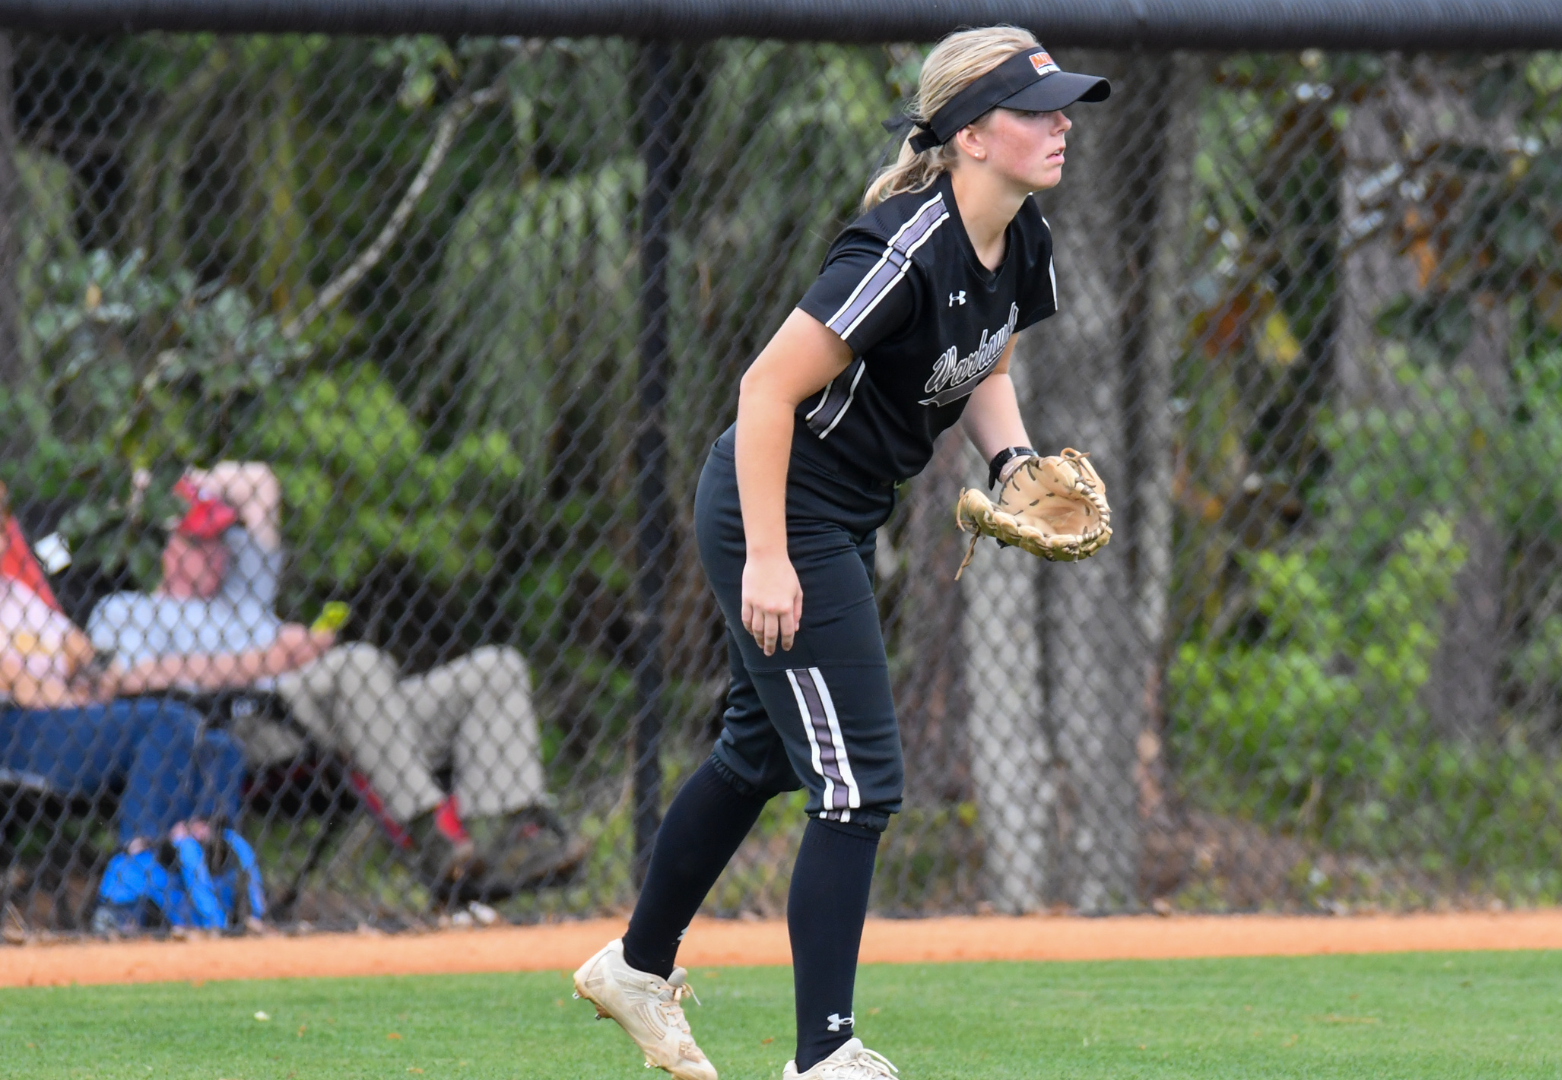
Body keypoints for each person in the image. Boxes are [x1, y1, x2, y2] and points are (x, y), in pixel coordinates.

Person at [570, 27, 1109, 1080]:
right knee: (858, 781)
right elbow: (766, 390)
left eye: (1063, 106)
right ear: (967, 133)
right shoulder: (903, 247)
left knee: (759, 752)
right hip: (778, 503)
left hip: (837, 511)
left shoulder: (1020, 234)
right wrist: (769, 557)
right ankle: (824, 1056)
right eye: (1036, 107)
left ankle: (636, 968)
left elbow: (984, 360)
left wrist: (1013, 464)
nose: (1060, 124)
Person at [85, 462, 584, 896]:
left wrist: (183, 480)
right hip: (256, 724)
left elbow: (260, 483)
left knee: (496, 667)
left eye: (221, 543)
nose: (216, 555)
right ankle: (432, 839)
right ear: (168, 545)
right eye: (199, 543)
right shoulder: (129, 610)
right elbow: (115, 683)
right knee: (358, 664)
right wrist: (267, 660)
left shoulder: (242, 597)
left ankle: (515, 835)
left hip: (356, 715)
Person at [0, 480, 246, 848]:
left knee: (221, 748)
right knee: (168, 720)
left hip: (66, 718)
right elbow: (25, 687)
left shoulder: (15, 593)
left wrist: (92, 680)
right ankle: (134, 873)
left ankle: (200, 874)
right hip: (18, 731)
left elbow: (86, 653)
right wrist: (80, 689)